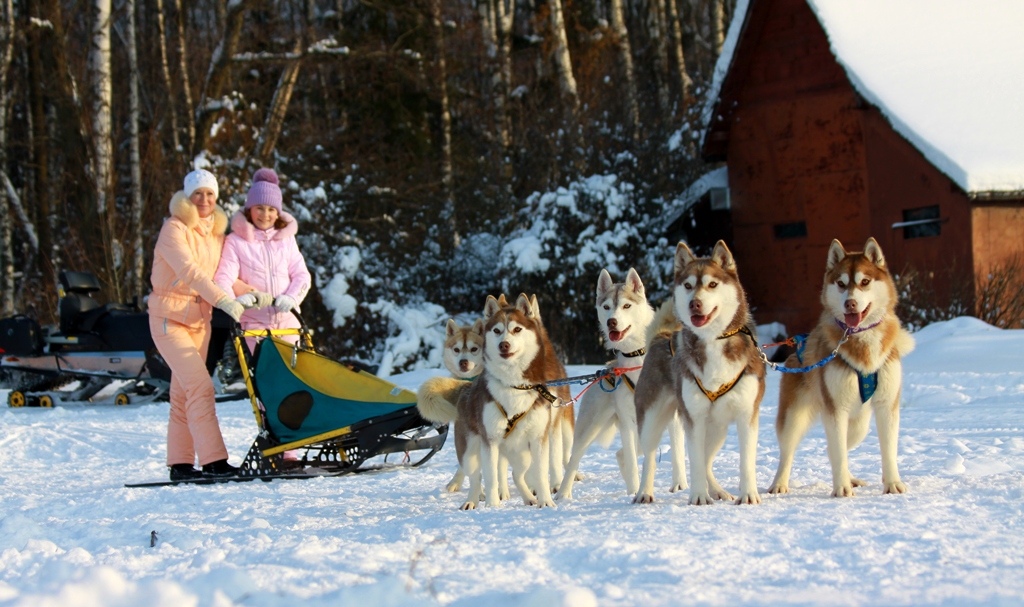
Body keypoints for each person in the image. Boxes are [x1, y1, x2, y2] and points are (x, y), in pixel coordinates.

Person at [149, 169, 262, 481]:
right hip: (169, 321)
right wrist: (224, 302)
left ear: (216, 198)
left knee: (184, 395)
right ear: (188, 196)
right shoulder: (174, 229)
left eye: (209, 194)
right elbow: (191, 273)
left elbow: (221, 277)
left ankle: (181, 466)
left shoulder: (215, 235)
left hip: (200, 323)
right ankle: (214, 461)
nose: (204, 200)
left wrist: (252, 293)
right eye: (198, 193)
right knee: (200, 387)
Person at [214, 168, 311, 354]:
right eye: (259, 208)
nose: (265, 215)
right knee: (265, 376)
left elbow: (302, 275)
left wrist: (292, 297)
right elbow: (223, 278)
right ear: (250, 209)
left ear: (278, 213)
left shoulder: (286, 239)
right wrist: (235, 303)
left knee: (292, 376)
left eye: (271, 209)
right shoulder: (235, 241)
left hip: (288, 321)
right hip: (254, 325)